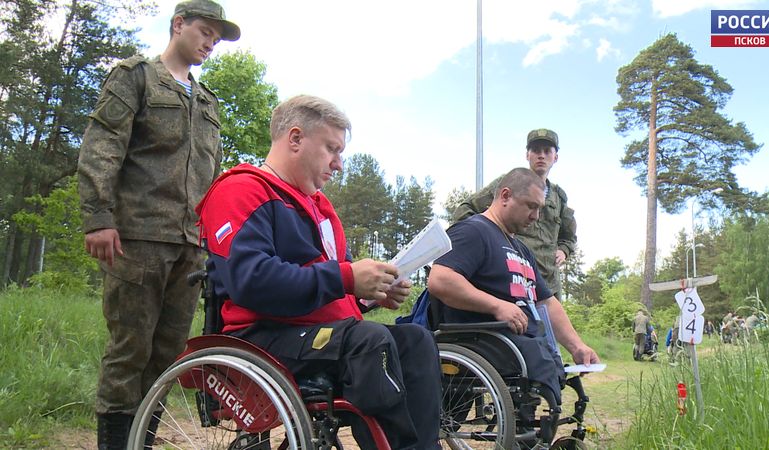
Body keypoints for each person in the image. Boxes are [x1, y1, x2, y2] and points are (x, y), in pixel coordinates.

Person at [195, 95, 442, 450]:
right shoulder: (242, 190)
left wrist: (367, 294)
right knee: (370, 342)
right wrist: (346, 278)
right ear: (295, 139)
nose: (338, 164)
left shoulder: (321, 210)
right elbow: (250, 280)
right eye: (332, 149)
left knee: (417, 340)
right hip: (264, 335)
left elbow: (331, 285)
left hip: (319, 333)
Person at [76, 1, 240, 448]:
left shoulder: (208, 103)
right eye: (205, 32)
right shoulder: (136, 77)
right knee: (130, 352)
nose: (210, 43)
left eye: (216, 39)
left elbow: (212, 176)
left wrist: (215, 239)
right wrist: (98, 218)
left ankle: (141, 442)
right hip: (137, 238)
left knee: (167, 356)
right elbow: (102, 147)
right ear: (178, 25)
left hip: (190, 246)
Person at [428, 167, 598, 405]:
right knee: (537, 357)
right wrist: (498, 306)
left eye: (539, 208)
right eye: (531, 206)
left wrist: (577, 346)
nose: (536, 216)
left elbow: (546, 302)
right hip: (488, 338)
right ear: (505, 196)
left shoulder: (521, 249)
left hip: (522, 339)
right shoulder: (473, 230)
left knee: (547, 358)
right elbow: (440, 279)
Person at [453, 128, 576, 300]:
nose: (541, 155)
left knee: (551, 326)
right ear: (527, 155)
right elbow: (464, 210)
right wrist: (491, 242)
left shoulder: (559, 197)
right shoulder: (510, 183)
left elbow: (569, 237)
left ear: (555, 157)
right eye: (535, 150)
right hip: (513, 280)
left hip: (548, 284)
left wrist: (564, 250)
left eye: (547, 151)